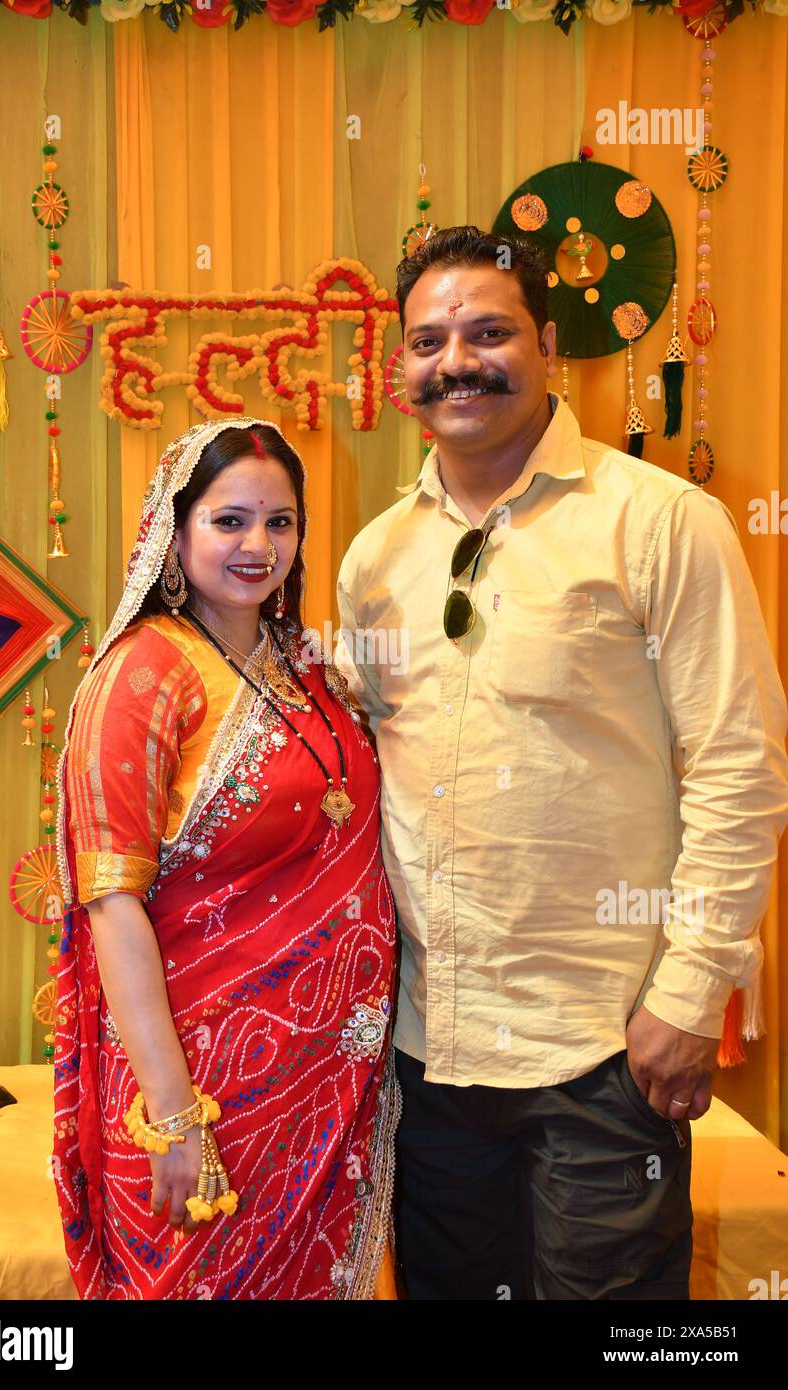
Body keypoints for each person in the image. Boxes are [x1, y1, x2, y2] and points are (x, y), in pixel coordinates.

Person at [335, 225, 788, 1301]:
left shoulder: (658, 521)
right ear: (399, 367)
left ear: (547, 343)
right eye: (427, 340)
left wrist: (687, 995)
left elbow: (738, 763)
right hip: (426, 1048)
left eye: (488, 332)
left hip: (601, 1044)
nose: (456, 360)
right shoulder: (373, 554)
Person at [53, 416, 399, 1300]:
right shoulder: (141, 677)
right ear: (175, 532)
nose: (259, 545)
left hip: (326, 1087)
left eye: (280, 522)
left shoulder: (303, 660)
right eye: (229, 520)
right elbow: (111, 904)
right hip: (200, 1090)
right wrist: (174, 1115)